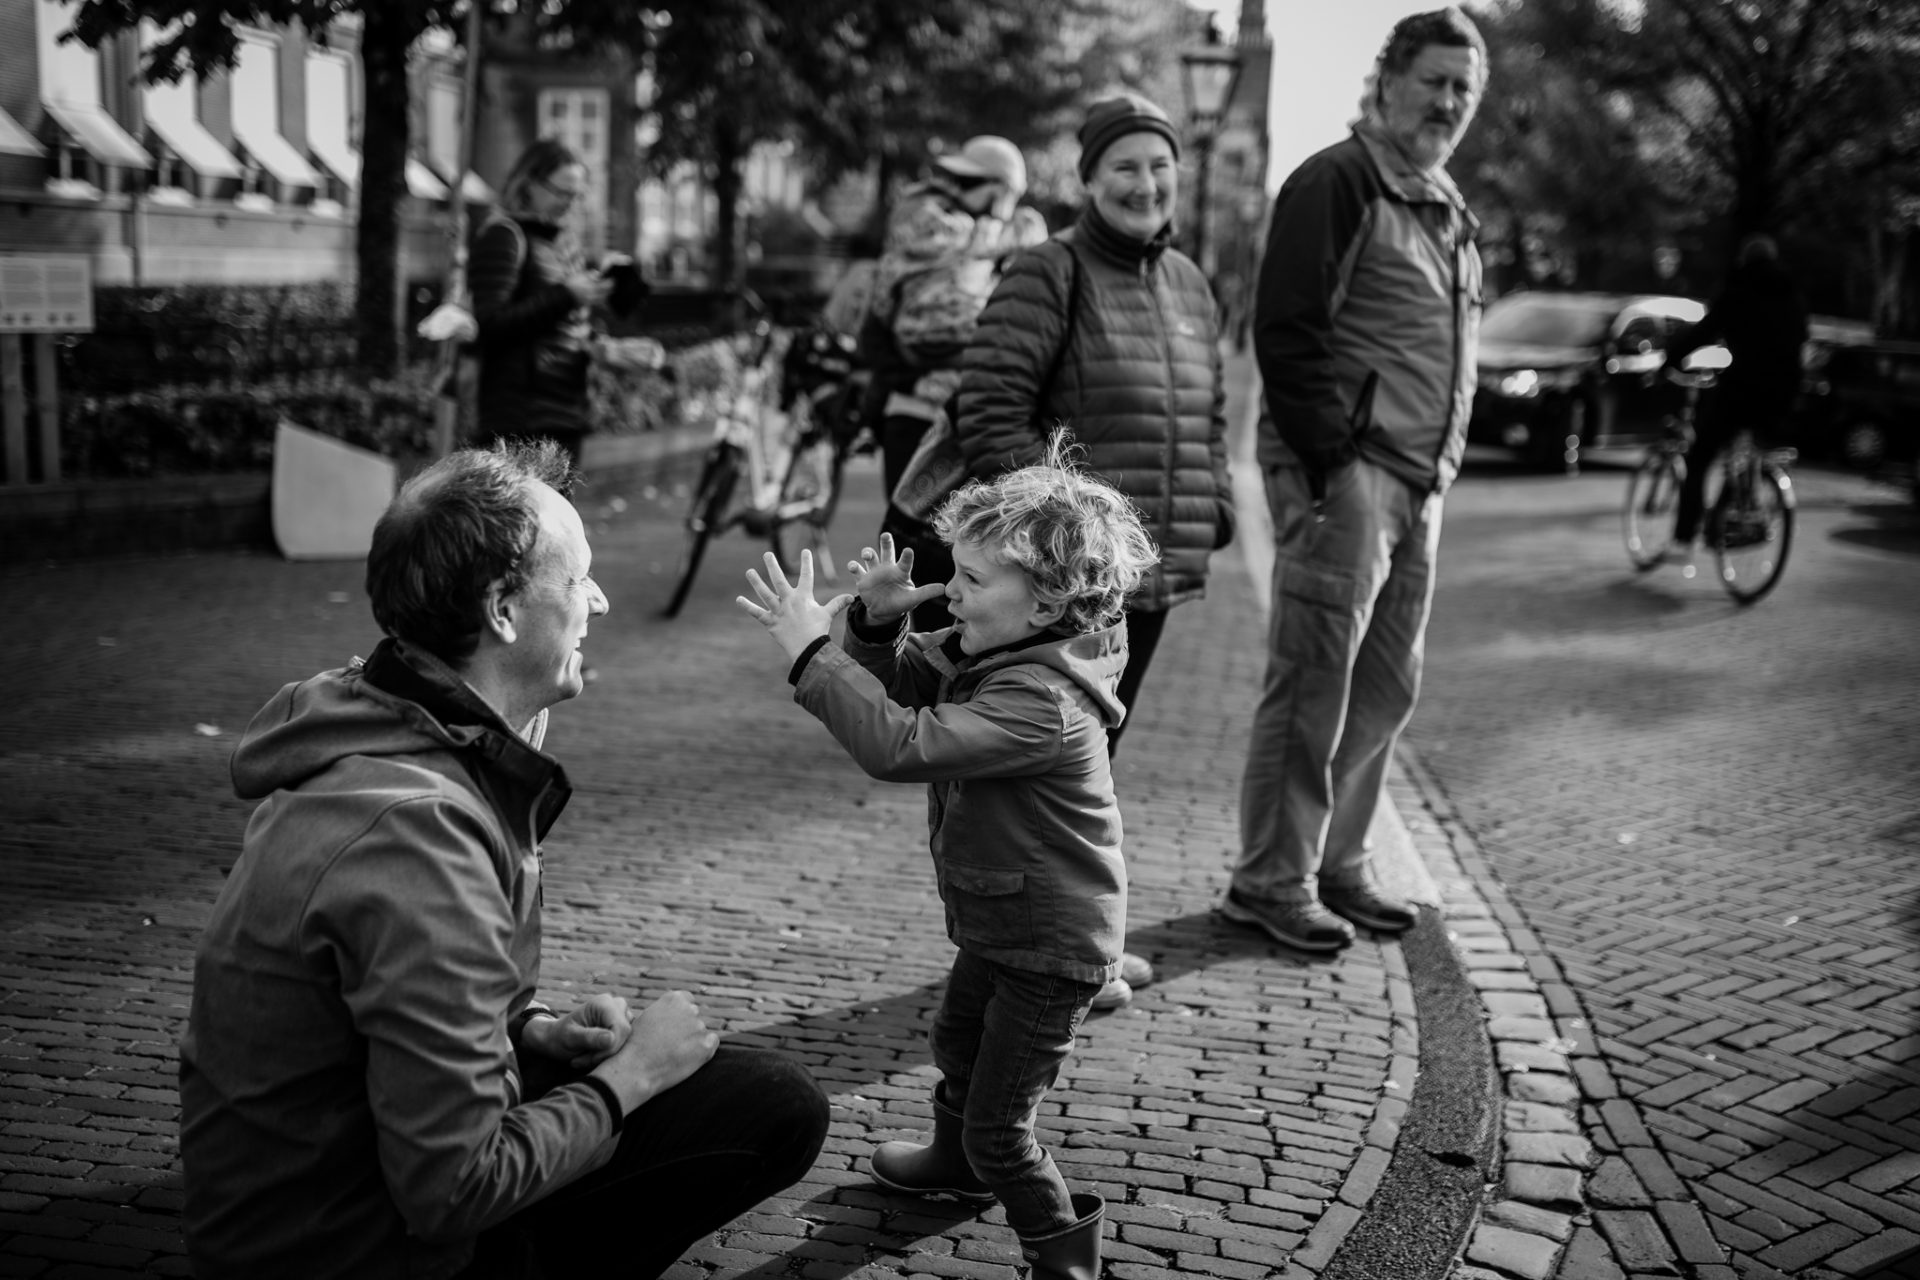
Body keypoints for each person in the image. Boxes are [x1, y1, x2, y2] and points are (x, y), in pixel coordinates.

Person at [177, 441, 830, 1279]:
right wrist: (630, 1078)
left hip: (321, 1199)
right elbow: (452, 1189)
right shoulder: (419, 837)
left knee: (750, 1091)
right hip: (349, 1251)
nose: (598, 599)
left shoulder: (390, 727)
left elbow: (378, 1012)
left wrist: (532, 1029)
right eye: (578, 577)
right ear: (503, 611)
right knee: (772, 1106)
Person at [735, 448, 1159, 1280]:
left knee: (1003, 1131)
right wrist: (877, 624)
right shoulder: (998, 648)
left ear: (1047, 601)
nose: (950, 591)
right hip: (1004, 920)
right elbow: (903, 683)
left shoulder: (1042, 701)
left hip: (1051, 947)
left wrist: (809, 653)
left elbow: (901, 744)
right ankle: (954, 1162)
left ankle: (1066, 1257)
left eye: (970, 579)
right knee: (957, 1043)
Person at [955, 91, 1234, 1008]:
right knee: (1059, 773)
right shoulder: (1050, 271)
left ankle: (1067, 949)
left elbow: (1211, 412)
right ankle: (1049, 956)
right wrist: (1061, 549)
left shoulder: (1189, 282)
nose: (1145, 184)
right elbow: (990, 412)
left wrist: (1219, 504)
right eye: (1124, 167)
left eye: (1160, 166)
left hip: (1147, 575)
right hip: (1070, 585)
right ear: (1087, 180)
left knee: (1092, 765)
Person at [1228, 7, 1487, 954]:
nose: (1449, 103)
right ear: (1386, 81)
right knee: (1312, 686)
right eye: (1435, 82)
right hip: (1348, 477)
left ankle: (1339, 863)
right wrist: (1334, 464)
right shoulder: (1336, 180)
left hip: (1419, 482)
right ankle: (1270, 879)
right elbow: (1286, 330)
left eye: (1464, 89)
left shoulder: (1446, 204)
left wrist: (1438, 467)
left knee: (1382, 689)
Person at [860, 135, 1045, 630]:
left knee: (914, 550)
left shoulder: (911, 233)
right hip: (957, 423)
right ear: (1003, 190)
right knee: (952, 559)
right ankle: (930, 660)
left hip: (911, 410)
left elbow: (877, 318)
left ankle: (902, 656)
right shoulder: (995, 238)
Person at [468, 138, 651, 468]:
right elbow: (491, 324)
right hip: (519, 420)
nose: (569, 203)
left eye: (576, 195)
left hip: (565, 415)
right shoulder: (503, 236)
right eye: (561, 192)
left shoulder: (565, 244)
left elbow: (562, 327)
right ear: (530, 184)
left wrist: (598, 345)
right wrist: (567, 295)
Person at [1666, 233, 1809, 558]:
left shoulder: (1739, 290)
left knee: (1700, 458)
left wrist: (1671, 359)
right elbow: (1801, 339)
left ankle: (1685, 537)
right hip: (1785, 391)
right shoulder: (1793, 294)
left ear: (1745, 260)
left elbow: (1706, 330)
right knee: (1747, 451)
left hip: (1743, 387)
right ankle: (1725, 516)